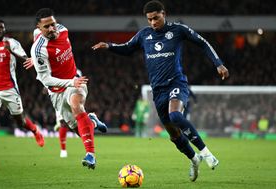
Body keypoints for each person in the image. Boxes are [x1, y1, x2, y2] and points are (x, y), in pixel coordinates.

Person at [92, 0, 229, 181]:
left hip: (177, 83)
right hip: (158, 91)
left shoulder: (178, 30)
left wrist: (218, 63)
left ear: (164, 14)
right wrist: (109, 46)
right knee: (173, 134)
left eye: (156, 18)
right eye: (149, 19)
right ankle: (194, 159)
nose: (153, 23)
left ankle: (206, 153)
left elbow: (202, 43)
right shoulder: (144, 35)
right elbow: (127, 48)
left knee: (176, 116)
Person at [31, 8, 101, 169]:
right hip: (56, 90)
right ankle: (92, 121)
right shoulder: (39, 49)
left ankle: (90, 155)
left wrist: (72, 82)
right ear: (38, 28)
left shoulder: (63, 30)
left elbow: (42, 36)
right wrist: (34, 58)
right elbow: (45, 79)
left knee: (76, 104)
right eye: (46, 27)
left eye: (53, 24)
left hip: (75, 80)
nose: (51, 29)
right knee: (78, 129)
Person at [0, 19, 44, 167]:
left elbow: (26, 59)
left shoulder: (12, 43)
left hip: (10, 89)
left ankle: (35, 130)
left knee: (20, 121)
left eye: (1, 28)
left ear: (4, 30)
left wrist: (10, 50)